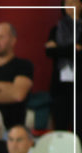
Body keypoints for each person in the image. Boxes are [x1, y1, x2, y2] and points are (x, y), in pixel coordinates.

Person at [46, 0, 81, 132]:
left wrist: (59, 48)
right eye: (67, 3)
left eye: (74, 2)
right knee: (60, 126)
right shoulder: (56, 28)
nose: (70, 6)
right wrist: (74, 48)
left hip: (79, 85)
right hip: (60, 85)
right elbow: (49, 52)